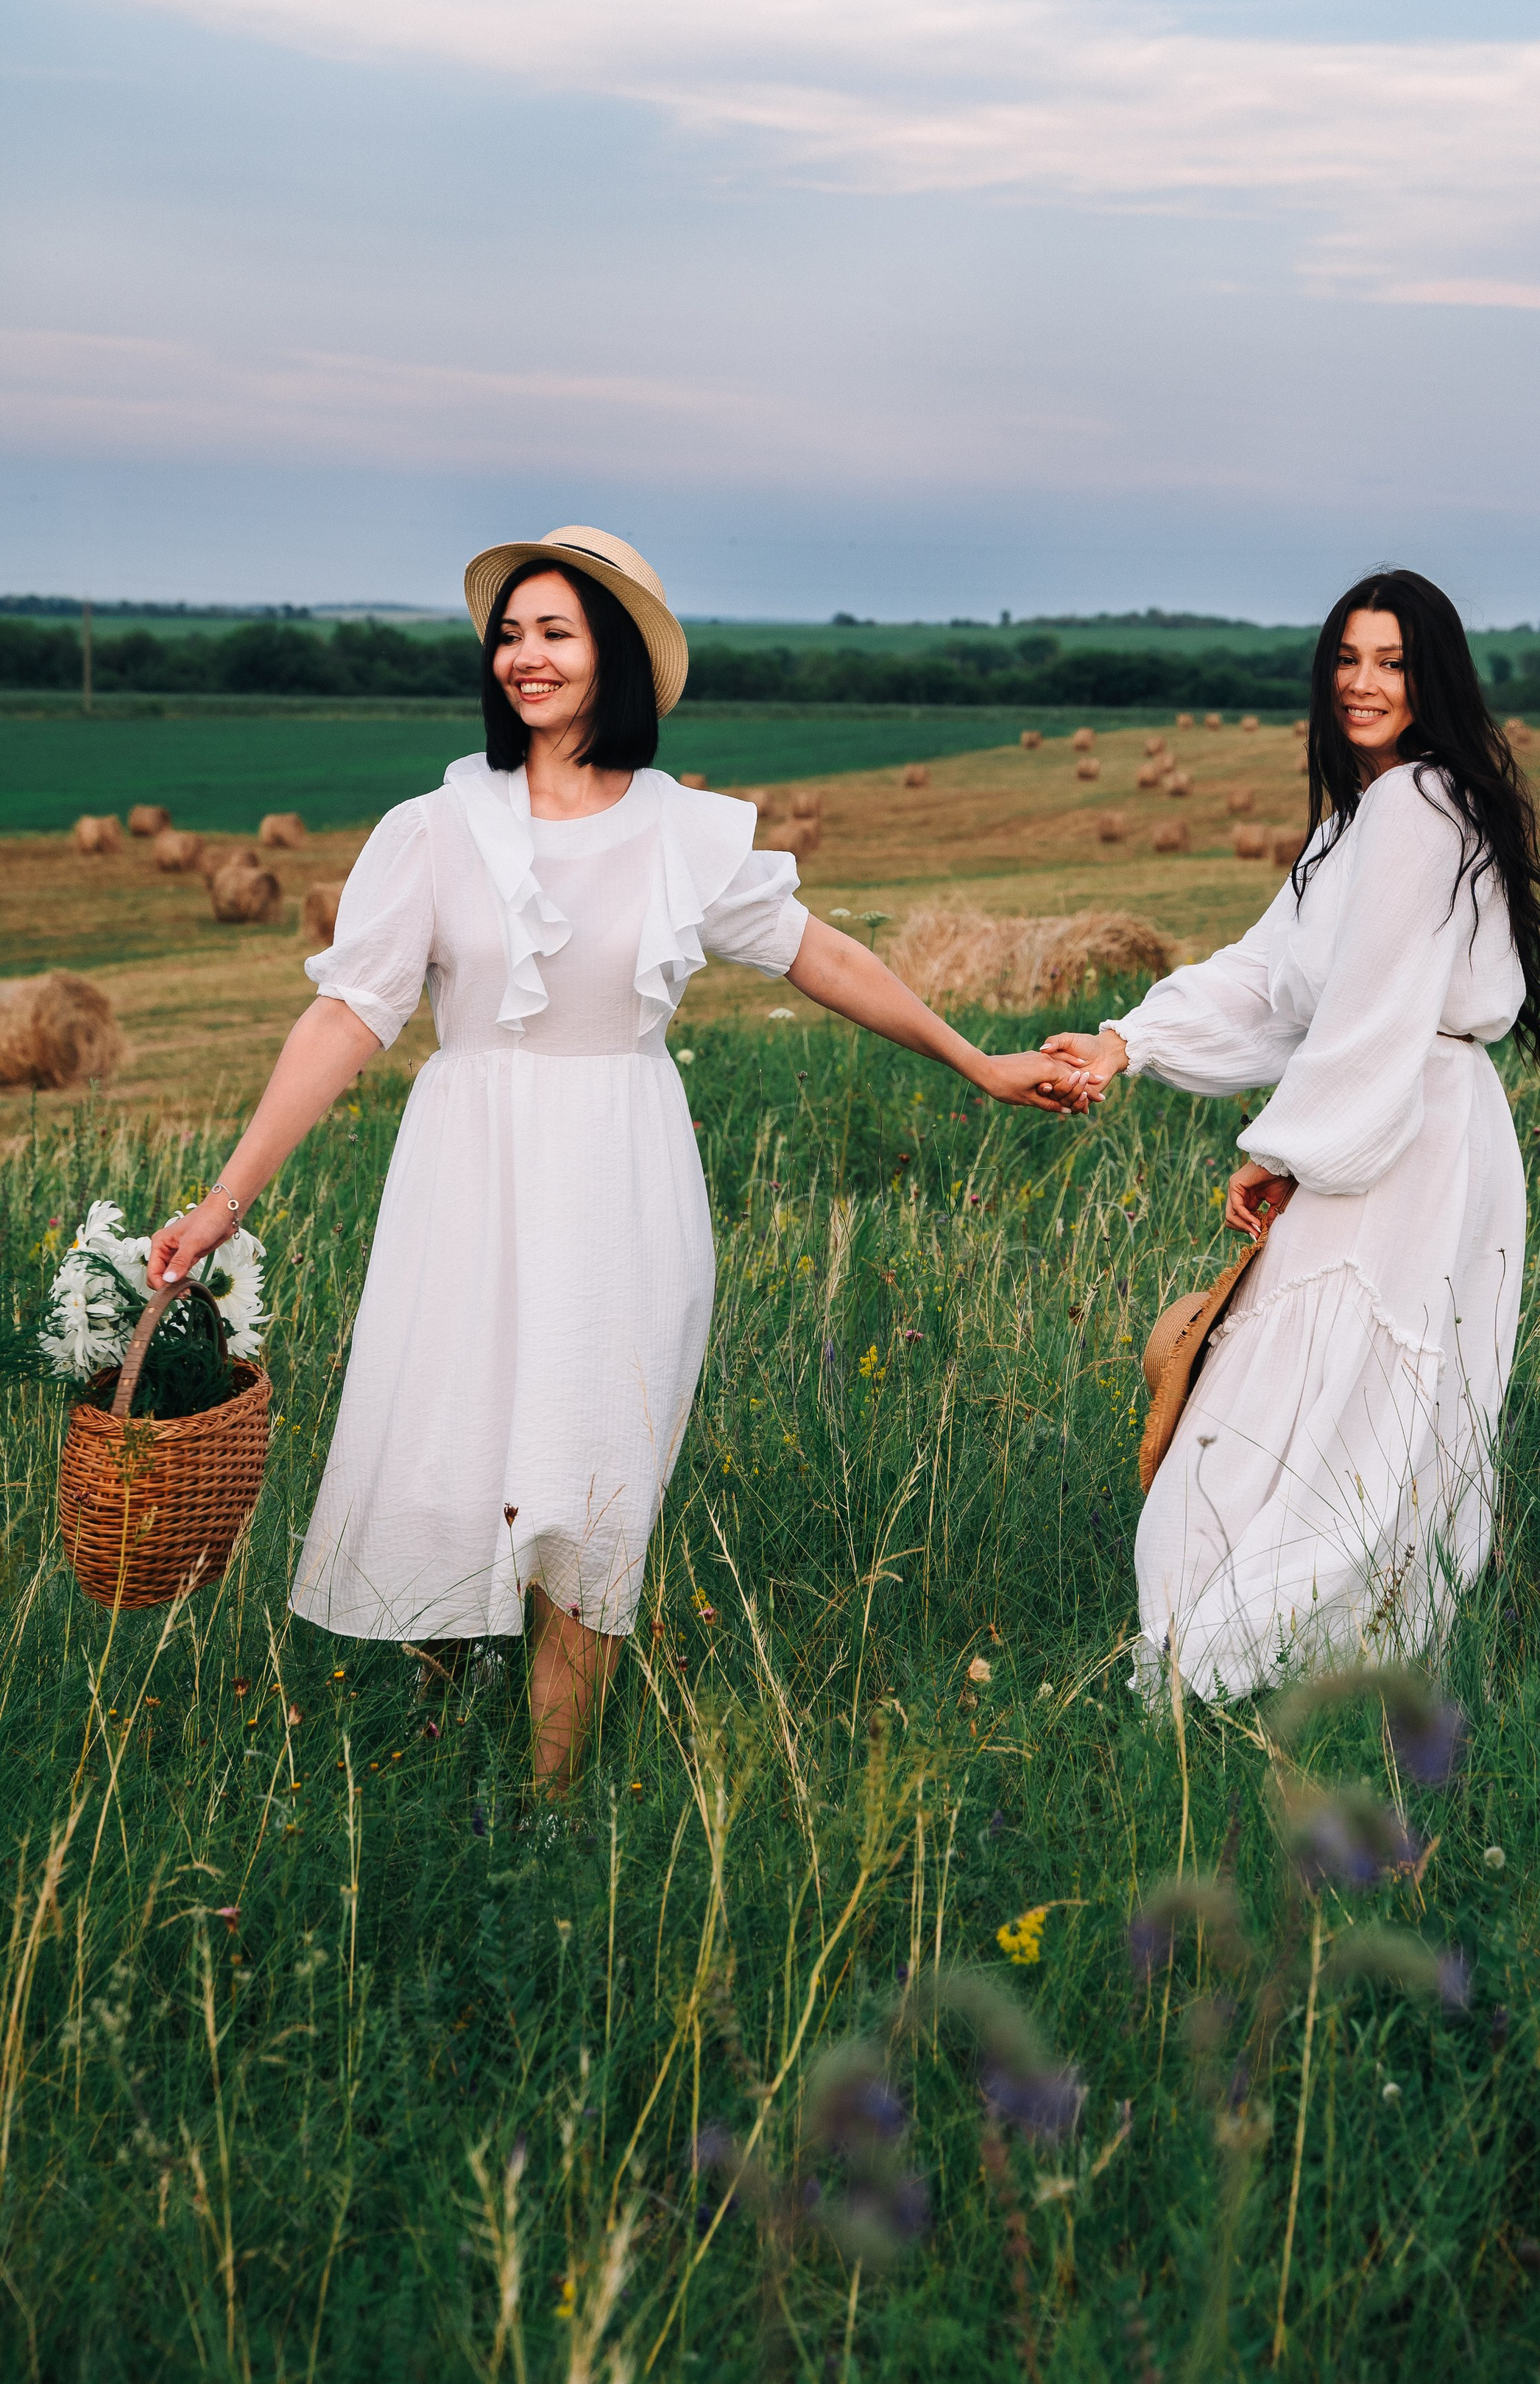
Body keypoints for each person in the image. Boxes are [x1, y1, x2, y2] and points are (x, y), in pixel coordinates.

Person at [148, 526, 1078, 1788]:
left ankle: (547, 1798)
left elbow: (823, 957)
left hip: (623, 1182)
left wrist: (976, 1060)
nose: (525, 657)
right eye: (510, 634)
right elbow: (344, 1018)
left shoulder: (683, 833)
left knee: (589, 1489)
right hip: (467, 1184)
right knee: (445, 1471)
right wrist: (223, 1201)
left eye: (557, 633)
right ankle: (431, 1744)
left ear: (617, 657)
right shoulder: (434, 827)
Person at [1041, 568, 1540, 1702]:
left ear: (1435, 682)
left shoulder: (1419, 806)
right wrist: (1128, 1041)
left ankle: (1241, 1653)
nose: (1364, 684)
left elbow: (1373, 1004)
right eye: (1348, 659)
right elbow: (1271, 981)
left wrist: (1282, 1153)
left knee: (1311, 1386)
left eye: (1394, 664)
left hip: (1406, 1130)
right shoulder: (1355, 826)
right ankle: (1302, 1650)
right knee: (1333, 1392)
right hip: (1405, 1120)